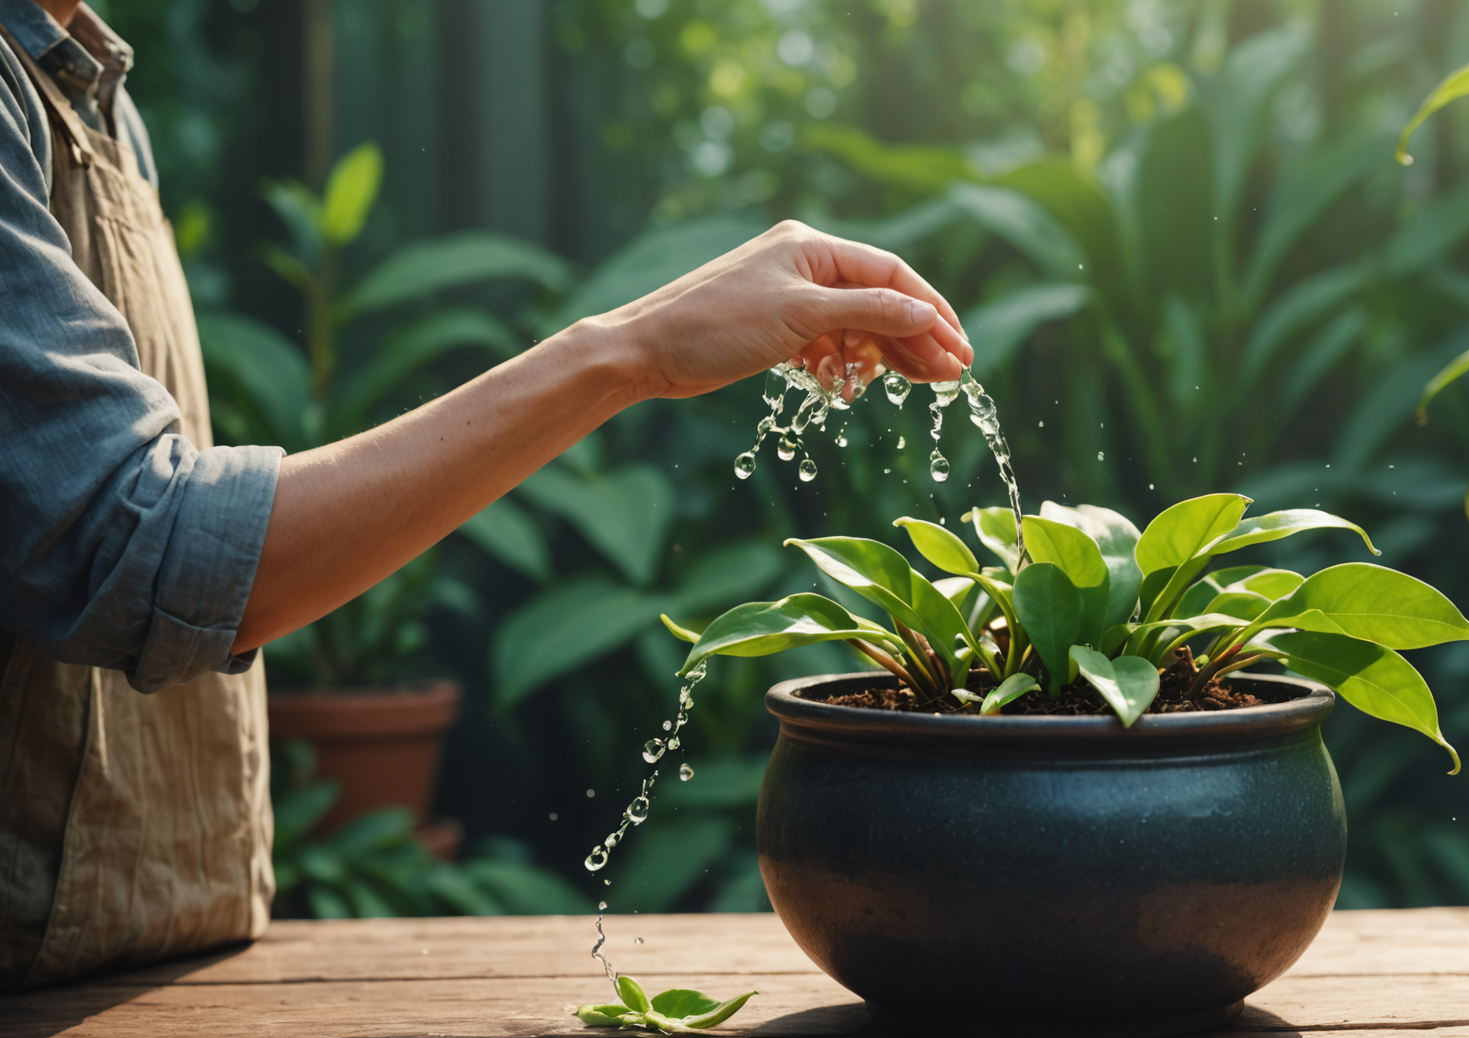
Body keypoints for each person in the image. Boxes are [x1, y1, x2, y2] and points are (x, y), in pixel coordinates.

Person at [0, 0, 971, 986]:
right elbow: (134, 551)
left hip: (151, 961)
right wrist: (633, 352)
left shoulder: (88, 84)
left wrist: (652, 331)